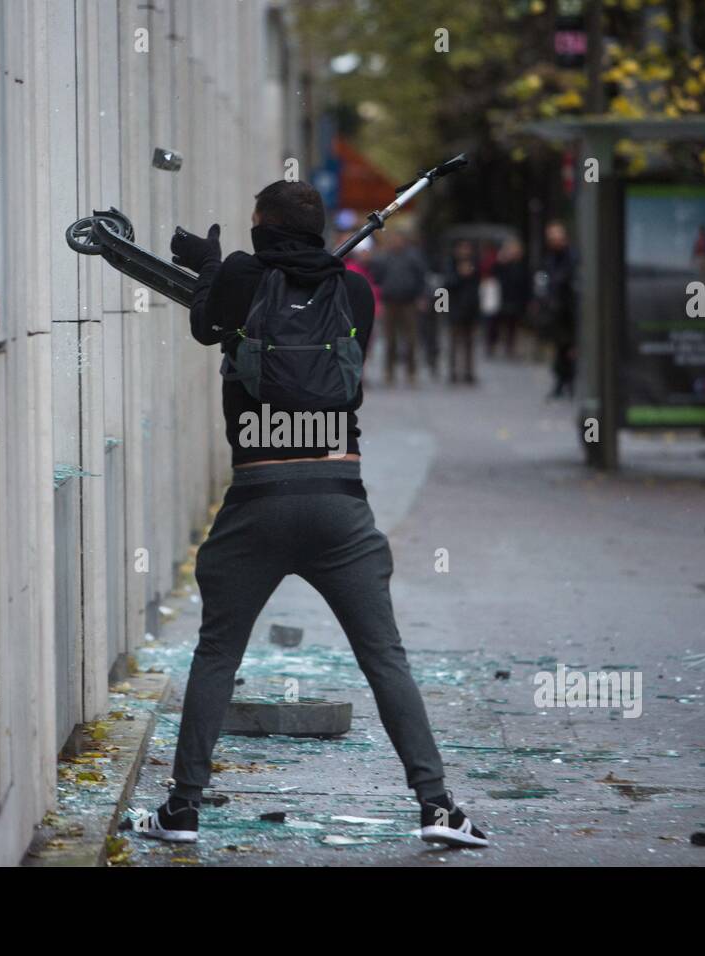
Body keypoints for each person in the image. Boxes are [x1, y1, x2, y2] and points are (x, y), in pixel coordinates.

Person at [121, 180, 488, 848]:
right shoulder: (355, 292)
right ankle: (438, 808)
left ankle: (182, 810)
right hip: (339, 501)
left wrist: (210, 266)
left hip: (257, 499)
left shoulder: (238, 277)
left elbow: (208, 325)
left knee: (216, 655)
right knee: (385, 658)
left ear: (262, 226)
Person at [371, 228, 429, 386]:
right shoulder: (384, 257)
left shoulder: (413, 256)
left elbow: (422, 278)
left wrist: (422, 296)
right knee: (390, 340)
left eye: (398, 238)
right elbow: (376, 277)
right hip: (389, 302)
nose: (395, 242)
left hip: (408, 302)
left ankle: (411, 372)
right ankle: (389, 372)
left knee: (410, 339)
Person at [541, 220, 578, 399]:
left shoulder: (570, 256)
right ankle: (561, 381)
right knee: (560, 347)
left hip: (570, 308)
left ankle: (569, 381)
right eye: (551, 238)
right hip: (557, 309)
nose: (554, 241)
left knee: (570, 346)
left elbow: (565, 278)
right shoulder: (551, 258)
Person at [488, 235, 530, 359]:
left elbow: (526, 282)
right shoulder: (501, 263)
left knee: (513, 325)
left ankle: (510, 347)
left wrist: (527, 299)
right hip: (502, 297)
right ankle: (492, 345)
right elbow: (493, 275)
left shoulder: (522, 264)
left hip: (516, 298)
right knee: (495, 322)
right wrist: (500, 262)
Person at [445, 239, 481, 384]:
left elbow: (478, 287)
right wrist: (460, 275)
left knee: (470, 343)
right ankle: (453, 371)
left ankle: (469, 372)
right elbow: (446, 284)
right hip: (455, 308)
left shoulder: (475, 265)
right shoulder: (450, 264)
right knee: (454, 342)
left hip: (471, 309)